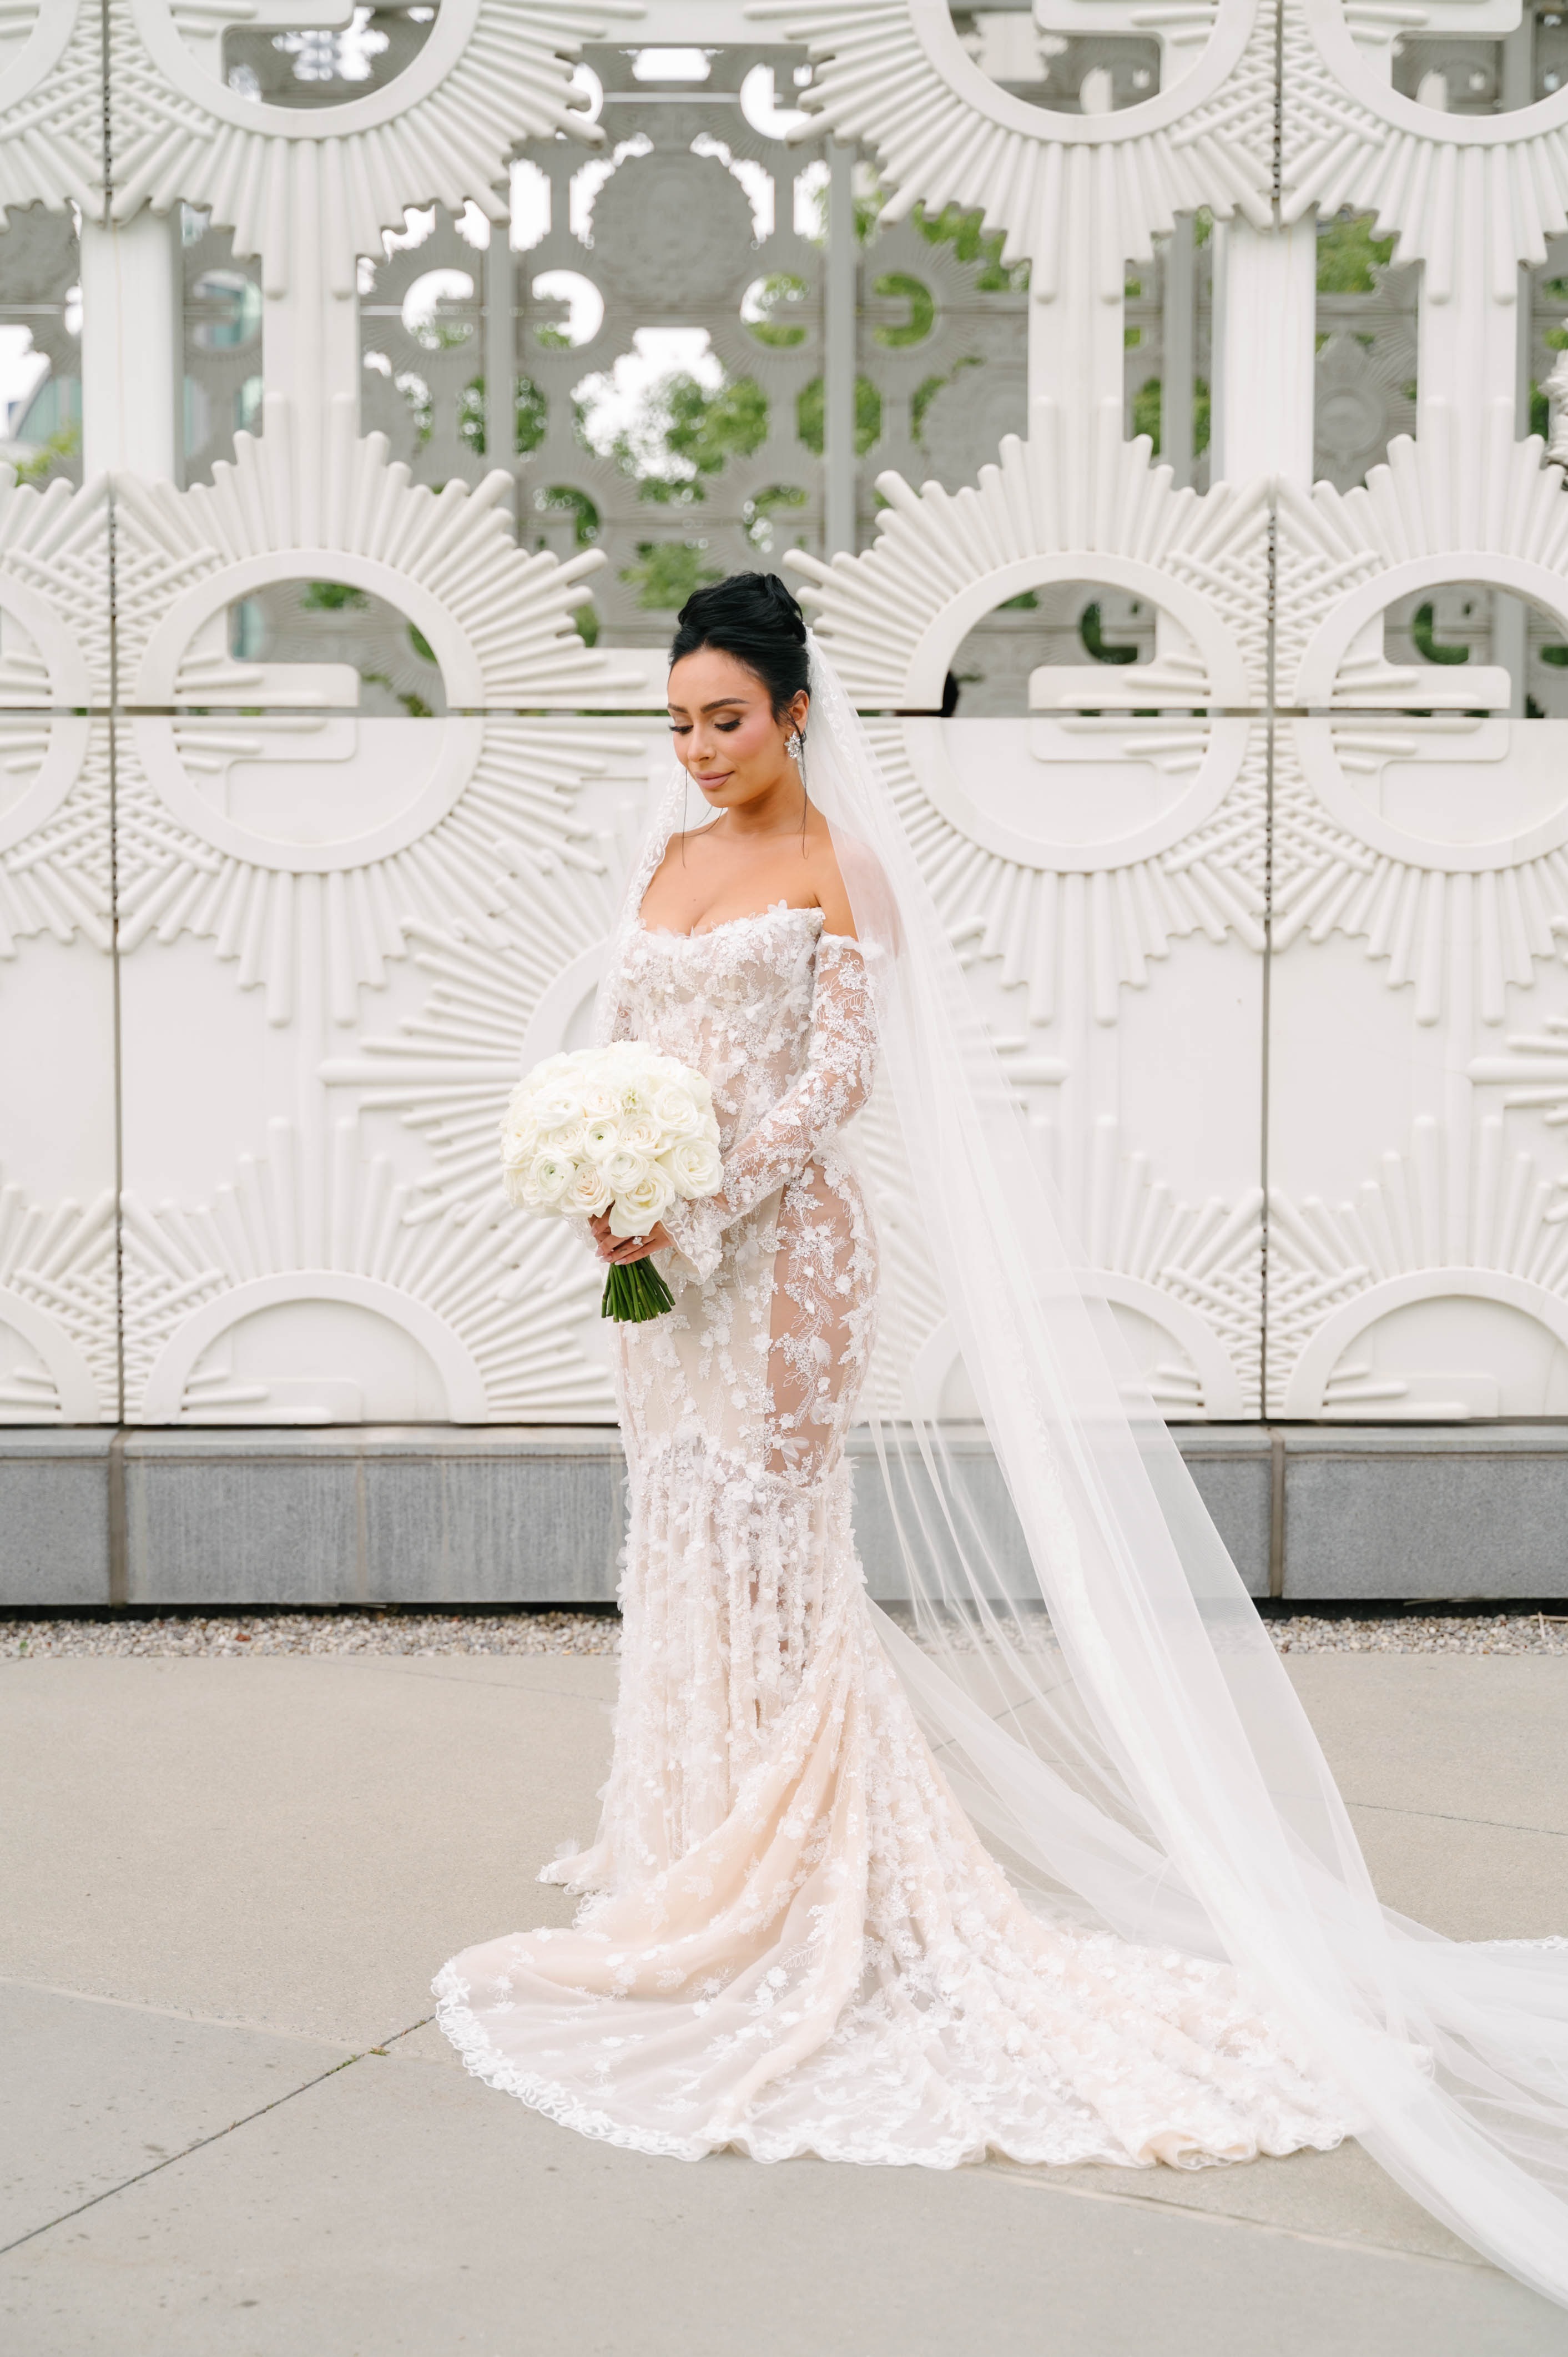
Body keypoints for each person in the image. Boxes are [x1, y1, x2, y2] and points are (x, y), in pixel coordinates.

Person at [437, 576, 1568, 2300]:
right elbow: (621, 1053)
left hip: (787, 1262)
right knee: (673, 1520)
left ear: (796, 714)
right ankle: (693, 1837)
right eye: (675, 723)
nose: (696, 751)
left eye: (723, 719)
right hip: (660, 1267)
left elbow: (835, 1085)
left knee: (768, 1526)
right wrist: (609, 1186)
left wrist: (701, 1193)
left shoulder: (840, 868)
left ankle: (798, 1860)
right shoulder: (664, 868)